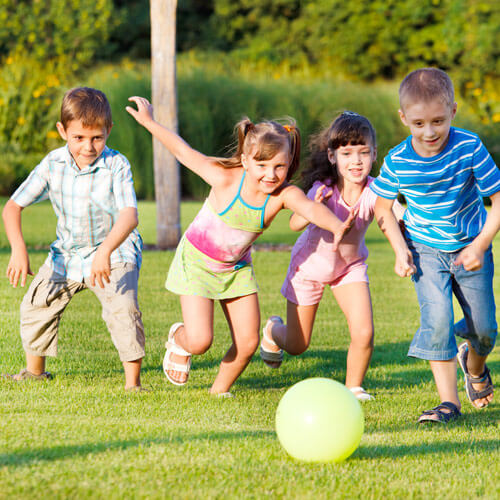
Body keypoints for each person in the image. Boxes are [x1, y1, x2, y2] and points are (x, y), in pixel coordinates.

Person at [126, 96, 356, 396]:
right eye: (262, 165)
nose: (270, 175)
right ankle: (180, 340)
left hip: (235, 270)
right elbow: (182, 151)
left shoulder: (282, 195)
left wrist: (337, 225)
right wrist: (149, 122)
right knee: (200, 341)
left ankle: (217, 392)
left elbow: (310, 208)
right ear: (246, 160)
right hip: (196, 264)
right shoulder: (223, 178)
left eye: (279, 166)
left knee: (247, 343)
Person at [371, 68, 500, 423]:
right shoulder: (398, 161)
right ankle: (449, 403)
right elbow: (382, 206)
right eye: (419, 124)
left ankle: (473, 367)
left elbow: (497, 199)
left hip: (471, 248)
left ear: (453, 112)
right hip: (424, 249)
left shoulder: (469, 147)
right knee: (438, 318)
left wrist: (480, 244)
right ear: (404, 118)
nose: (429, 132)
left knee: (485, 331)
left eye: (439, 121)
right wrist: (400, 249)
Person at [2, 87, 145, 391]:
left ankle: (133, 385)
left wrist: (106, 250)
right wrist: (18, 248)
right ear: (62, 131)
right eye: (79, 137)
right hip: (67, 254)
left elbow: (129, 216)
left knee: (123, 308)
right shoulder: (53, 164)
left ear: (109, 131)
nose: (88, 146)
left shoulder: (116, 165)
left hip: (114, 251)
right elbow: (13, 206)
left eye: (97, 137)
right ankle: (35, 372)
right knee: (37, 303)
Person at [259, 112, 404, 401]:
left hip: (349, 269)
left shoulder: (376, 190)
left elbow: (395, 216)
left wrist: (408, 238)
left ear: (374, 154)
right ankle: (273, 330)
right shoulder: (322, 189)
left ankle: (354, 387)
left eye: (364, 152)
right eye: (347, 153)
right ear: (332, 155)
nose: (357, 161)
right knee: (298, 345)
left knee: (364, 332)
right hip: (308, 268)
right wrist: (312, 206)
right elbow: (295, 224)